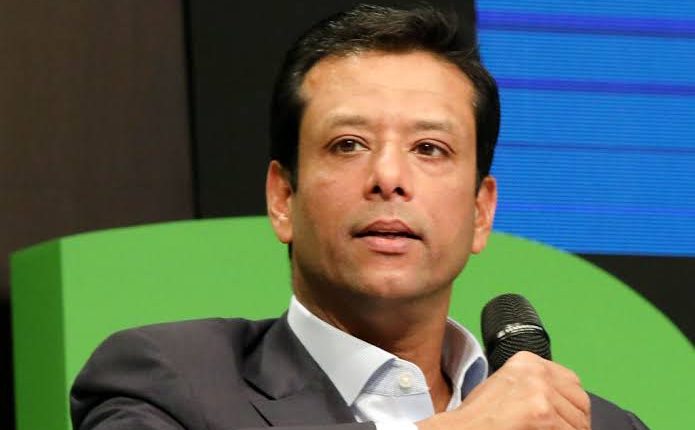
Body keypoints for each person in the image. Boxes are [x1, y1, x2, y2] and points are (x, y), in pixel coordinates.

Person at [71, 4, 648, 430]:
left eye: (429, 148)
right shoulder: (167, 383)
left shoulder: (597, 425)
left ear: (480, 211)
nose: (388, 177)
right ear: (283, 197)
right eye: (348, 144)